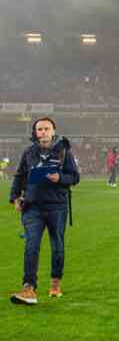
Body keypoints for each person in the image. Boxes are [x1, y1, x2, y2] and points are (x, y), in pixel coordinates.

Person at [9, 117, 80, 305]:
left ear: (53, 131)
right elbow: (19, 176)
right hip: (32, 207)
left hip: (57, 207)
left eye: (46, 128)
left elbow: (74, 177)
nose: (43, 132)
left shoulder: (64, 152)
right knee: (31, 246)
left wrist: (60, 178)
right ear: (35, 132)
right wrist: (15, 197)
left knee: (57, 247)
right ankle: (28, 288)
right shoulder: (29, 153)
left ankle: (55, 283)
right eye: (39, 129)